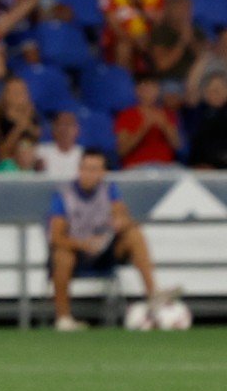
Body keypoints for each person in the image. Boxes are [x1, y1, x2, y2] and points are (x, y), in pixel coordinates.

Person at [47, 149, 172, 331]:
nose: (89, 174)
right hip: (77, 251)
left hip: (104, 250)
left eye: (94, 169)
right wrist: (82, 244)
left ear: (102, 172)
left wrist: (121, 221)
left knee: (134, 234)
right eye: (85, 168)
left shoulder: (110, 190)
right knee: (62, 255)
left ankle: (153, 295)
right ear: (79, 169)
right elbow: (56, 237)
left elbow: (122, 215)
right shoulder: (63, 195)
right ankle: (63, 319)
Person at [38, 110, 84, 178]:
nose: (65, 129)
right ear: (53, 128)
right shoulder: (40, 152)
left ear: (77, 130)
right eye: (61, 124)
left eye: (69, 124)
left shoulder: (84, 154)